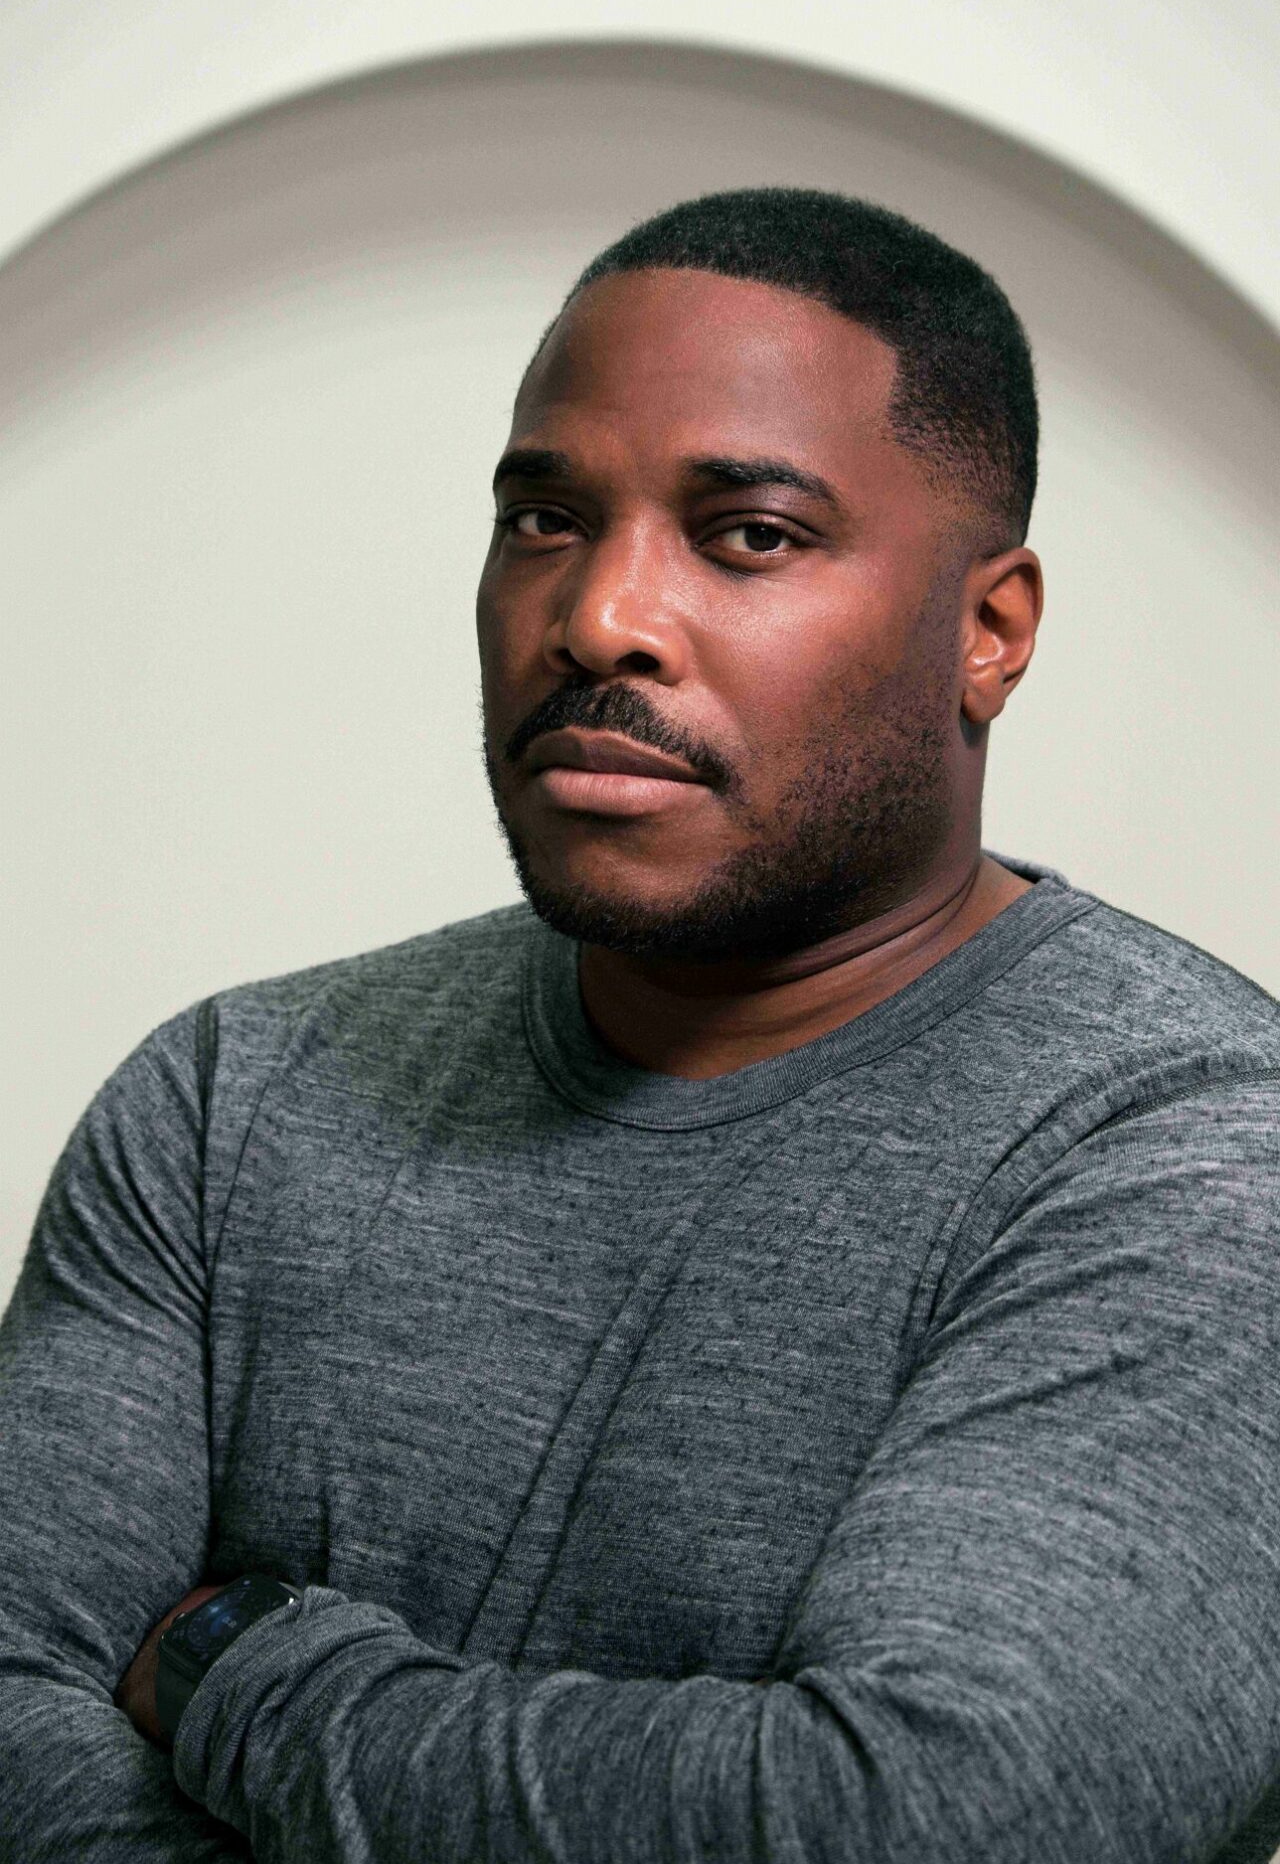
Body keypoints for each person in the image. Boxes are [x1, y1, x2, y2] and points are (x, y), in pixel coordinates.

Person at [1, 184, 1278, 1864]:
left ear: (990, 631)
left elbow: (931, 1817)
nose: (600, 617)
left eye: (747, 533)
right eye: (544, 518)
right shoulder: (231, 1101)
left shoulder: (1193, 1157)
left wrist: (248, 1668)